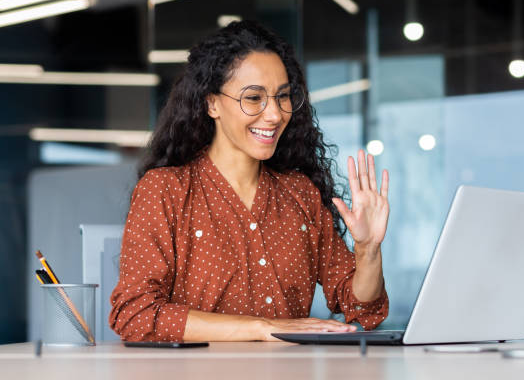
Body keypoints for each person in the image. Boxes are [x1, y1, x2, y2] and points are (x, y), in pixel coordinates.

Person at [109, 21, 390, 342]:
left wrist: (368, 250)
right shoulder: (165, 189)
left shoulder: (301, 193)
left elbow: (363, 311)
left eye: (283, 97)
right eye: (254, 98)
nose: (274, 114)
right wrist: (260, 327)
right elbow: (135, 314)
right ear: (211, 102)